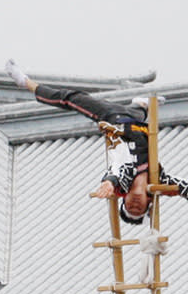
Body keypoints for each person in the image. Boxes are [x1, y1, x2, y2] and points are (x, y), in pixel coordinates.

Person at [9, 63, 174, 224]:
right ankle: (140, 105)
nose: (135, 205)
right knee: (135, 113)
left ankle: (27, 83)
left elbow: (115, 170)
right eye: (139, 209)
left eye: (130, 207)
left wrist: (108, 182)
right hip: (136, 123)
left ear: (124, 198)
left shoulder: (124, 179)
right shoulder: (157, 179)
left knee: (72, 98)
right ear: (148, 202)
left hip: (110, 117)